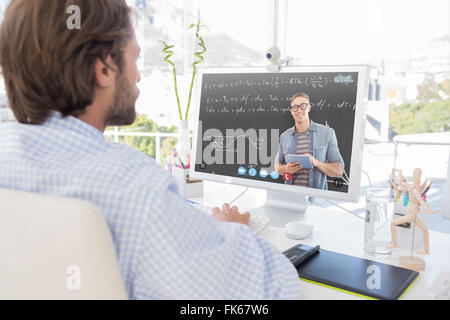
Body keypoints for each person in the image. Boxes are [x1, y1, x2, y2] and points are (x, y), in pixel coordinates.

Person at [0, 0, 300, 299]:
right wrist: (228, 233)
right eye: (135, 59)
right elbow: (274, 289)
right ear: (103, 69)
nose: (139, 77)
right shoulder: (138, 193)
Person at [275, 92, 344, 189]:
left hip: (315, 199)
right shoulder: (284, 136)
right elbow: (277, 166)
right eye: (295, 107)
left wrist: (316, 162)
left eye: (303, 106)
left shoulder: (327, 133)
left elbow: (338, 171)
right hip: (290, 196)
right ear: (291, 111)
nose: (299, 110)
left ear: (309, 108)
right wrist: (286, 169)